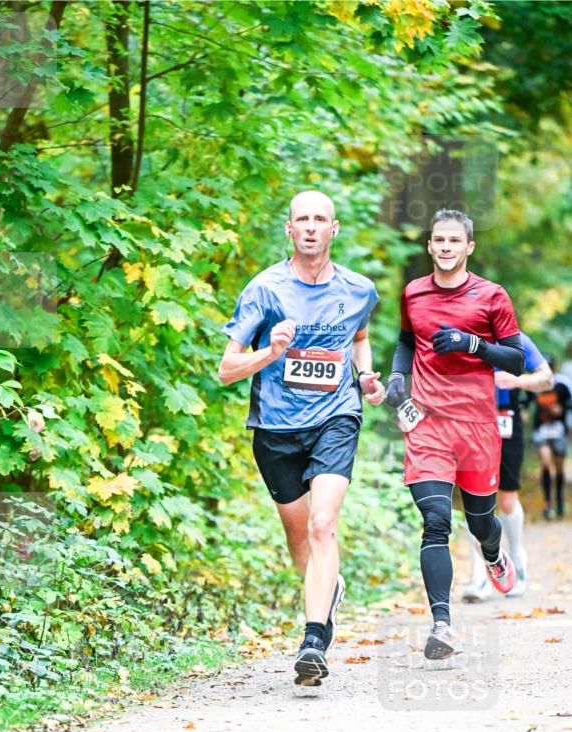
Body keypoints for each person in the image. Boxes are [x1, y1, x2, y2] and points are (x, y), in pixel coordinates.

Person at [218, 190, 384, 685]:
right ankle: (326, 588)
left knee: (322, 524)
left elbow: (358, 337)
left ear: (334, 229)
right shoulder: (264, 290)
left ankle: (315, 639)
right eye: (301, 219)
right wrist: (270, 352)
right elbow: (227, 369)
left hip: (336, 416)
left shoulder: (359, 289)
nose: (311, 227)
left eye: (320, 219)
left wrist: (367, 376)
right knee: (299, 538)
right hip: (275, 427)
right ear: (288, 229)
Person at [385, 208, 525, 660]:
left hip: (478, 427)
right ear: (430, 246)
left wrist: (474, 345)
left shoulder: (492, 296)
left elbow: (517, 360)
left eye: (453, 241)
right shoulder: (413, 293)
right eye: (438, 241)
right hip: (428, 426)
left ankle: (493, 550)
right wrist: (396, 379)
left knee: (480, 520)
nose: (445, 248)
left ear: (468, 247)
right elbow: (408, 341)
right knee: (436, 523)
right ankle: (442, 625)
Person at [463, 335, 553, 601]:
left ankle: (515, 556)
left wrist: (516, 381)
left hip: (506, 420)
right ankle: (478, 573)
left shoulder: (516, 338)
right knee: (474, 497)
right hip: (469, 421)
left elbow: (547, 378)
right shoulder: (461, 334)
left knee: (507, 497)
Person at [532, 357, 572, 519]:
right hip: (542, 430)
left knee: (560, 467)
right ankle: (547, 503)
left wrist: (561, 410)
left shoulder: (562, 385)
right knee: (546, 463)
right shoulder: (534, 385)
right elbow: (524, 401)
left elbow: (569, 405)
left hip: (559, 430)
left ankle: (560, 499)